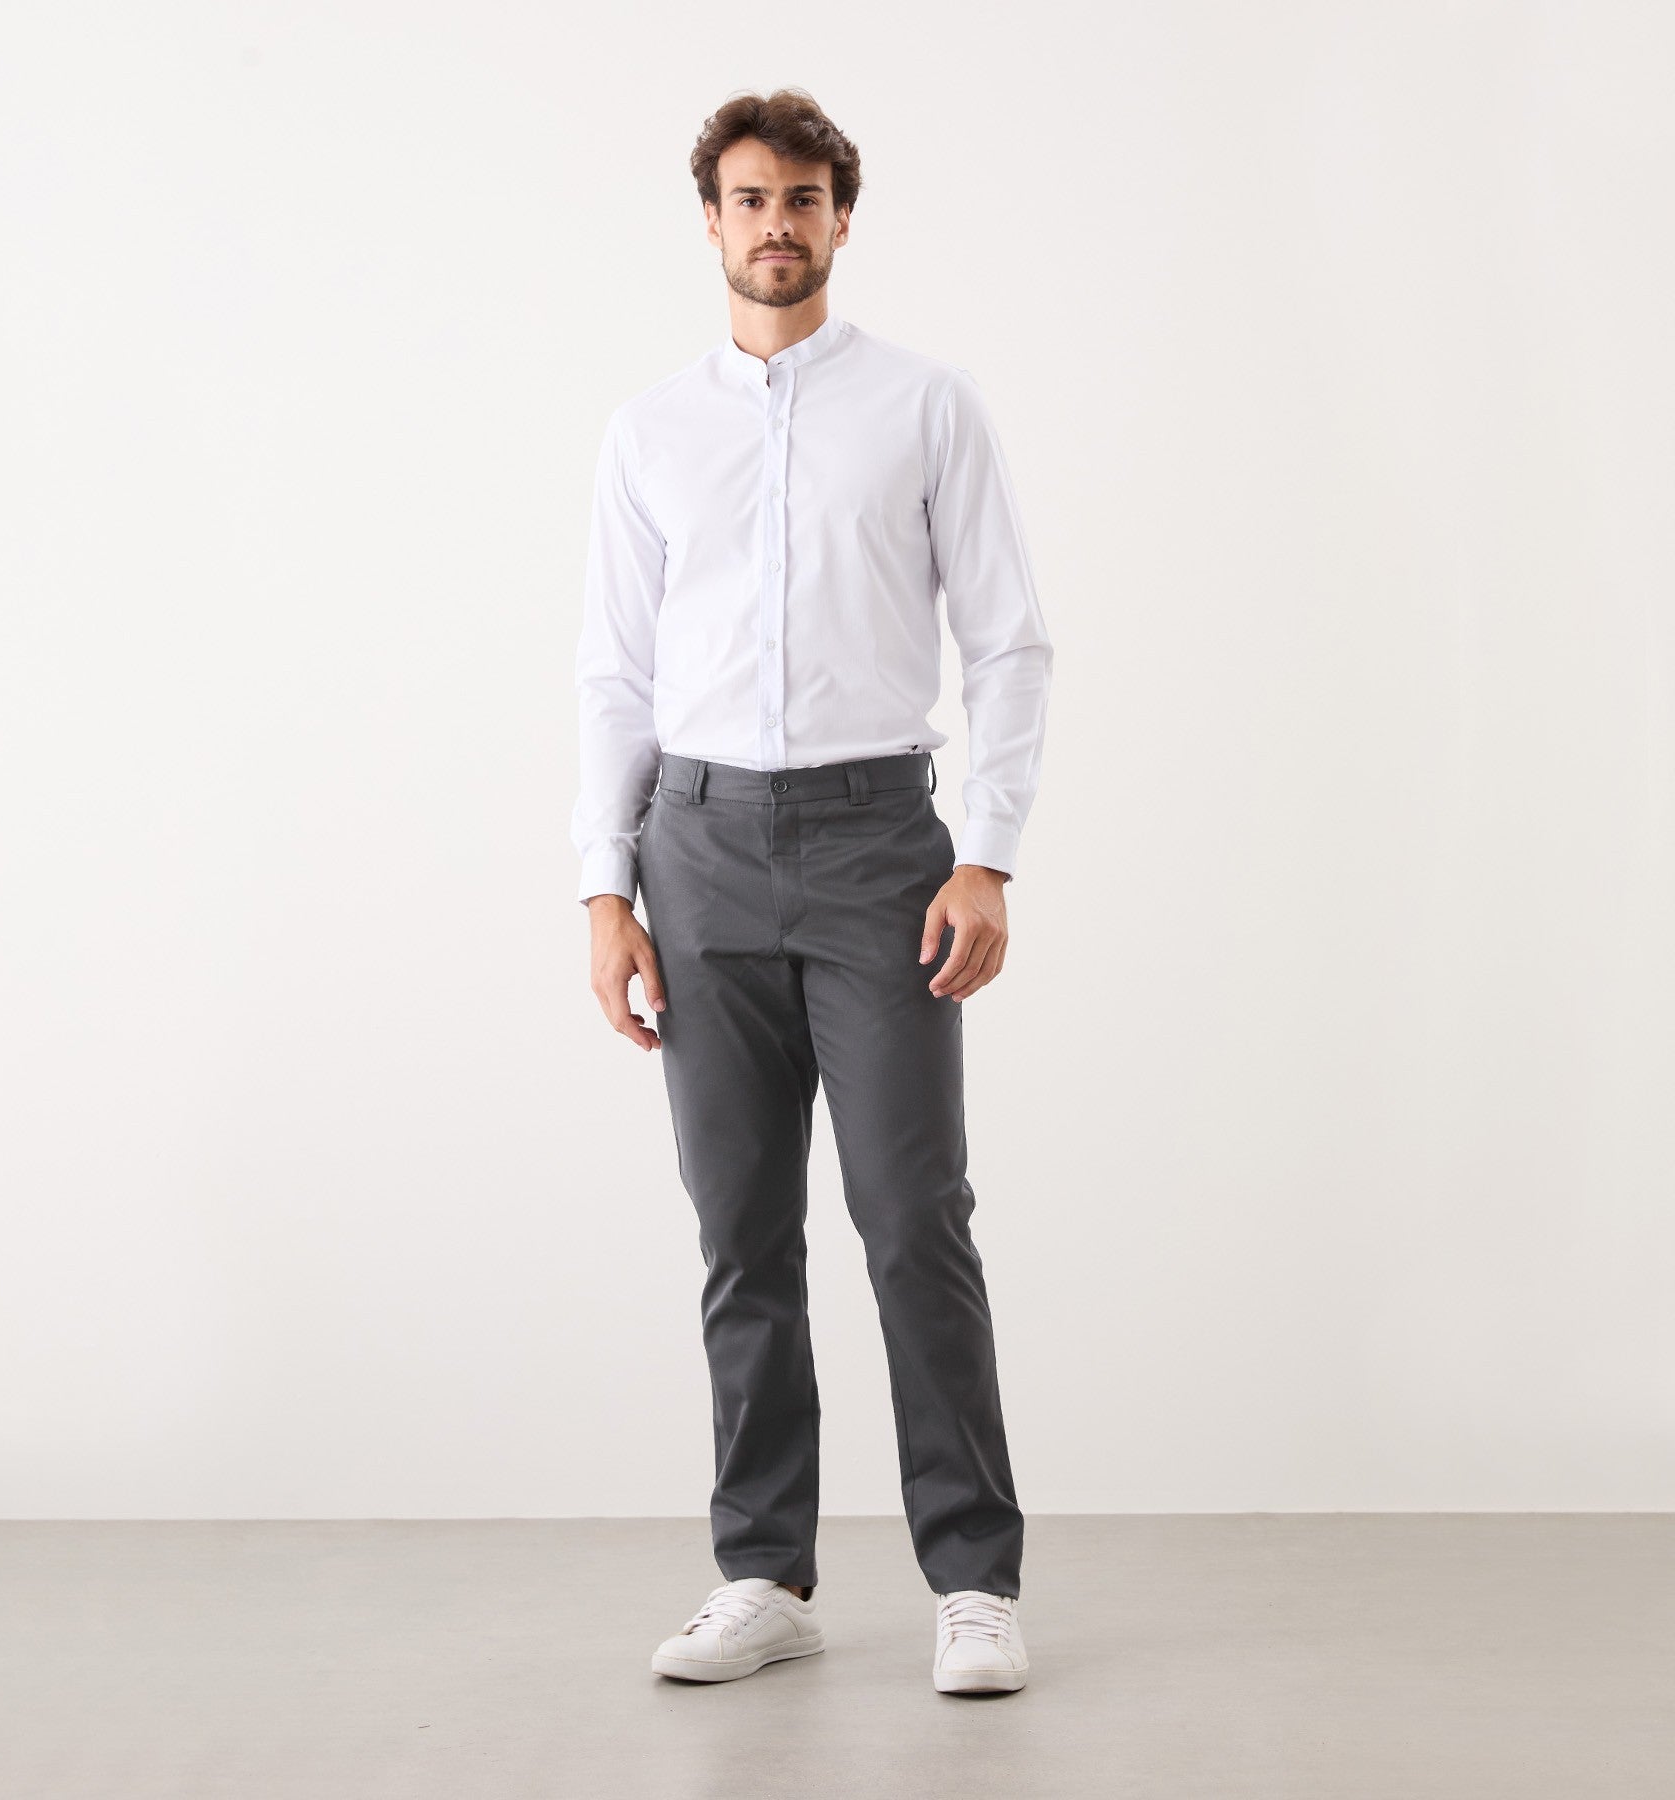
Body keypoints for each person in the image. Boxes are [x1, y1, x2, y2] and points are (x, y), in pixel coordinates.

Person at [570, 87, 1053, 1696]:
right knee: (740, 1231)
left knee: (914, 1216)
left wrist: (987, 853)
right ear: (709, 221)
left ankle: (973, 1580)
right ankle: (764, 1573)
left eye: (802, 198)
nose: (775, 224)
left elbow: (1008, 641)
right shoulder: (649, 434)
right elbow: (615, 676)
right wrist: (604, 887)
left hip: (876, 847)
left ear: (843, 217)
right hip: (697, 849)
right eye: (749, 199)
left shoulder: (924, 407)